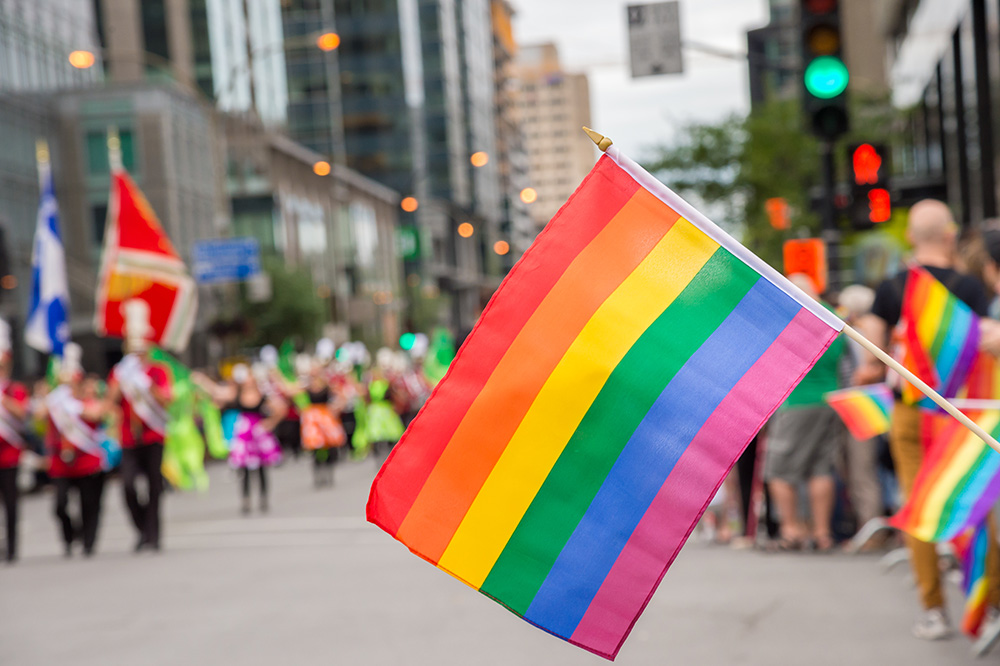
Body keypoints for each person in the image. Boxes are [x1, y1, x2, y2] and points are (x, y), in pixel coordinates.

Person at [857, 199, 999, 643]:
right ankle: (988, 605)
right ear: (950, 235)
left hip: (911, 413)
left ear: (912, 238)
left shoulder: (891, 289)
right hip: (963, 414)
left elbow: (871, 361)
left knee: (918, 508)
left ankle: (934, 610)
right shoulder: (973, 289)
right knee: (976, 503)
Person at [763, 274, 845, 552]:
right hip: (828, 400)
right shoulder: (834, 318)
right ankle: (822, 533)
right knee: (821, 468)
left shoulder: (795, 320)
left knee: (778, 469)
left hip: (796, 402)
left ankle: (791, 529)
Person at [105, 300, 172, 553]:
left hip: (153, 435)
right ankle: (142, 528)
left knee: (155, 486)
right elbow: (109, 403)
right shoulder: (120, 373)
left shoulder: (157, 371)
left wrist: (146, 383)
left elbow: (166, 399)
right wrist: (120, 381)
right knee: (128, 486)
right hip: (129, 438)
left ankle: (154, 535)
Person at [40, 343, 107, 558]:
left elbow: (97, 414)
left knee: (89, 503)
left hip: (86, 459)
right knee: (60, 504)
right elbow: (37, 417)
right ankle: (70, 536)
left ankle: (88, 541)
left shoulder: (84, 400)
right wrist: (52, 399)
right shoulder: (55, 401)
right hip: (61, 461)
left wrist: (73, 405)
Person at [194, 363, 286, 513]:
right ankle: (246, 500)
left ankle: (263, 498)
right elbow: (216, 391)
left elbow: (280, 408)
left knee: (262, 469)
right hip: (244, 434)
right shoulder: (236, 393)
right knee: (244, 470)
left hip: (259, 434)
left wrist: (270, 422)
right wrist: (202, 380)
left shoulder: (263, 393)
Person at [836, 285, 885, 542]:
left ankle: (871, 533)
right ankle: (867, 530)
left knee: (862, 470)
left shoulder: (865, 328)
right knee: (859, 470)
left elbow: (871, 367)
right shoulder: (864, 326)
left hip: (860, 403)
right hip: (857, 404)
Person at [0, 319, 29, 562]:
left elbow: (21, 413)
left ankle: (11, 547)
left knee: (10, 503)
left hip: (9, 455)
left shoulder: (13, 389)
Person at [301, 361, 346, 487]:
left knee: (329, 446)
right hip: (313, 420)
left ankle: (329, 472)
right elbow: (292, 393)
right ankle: (317, 475)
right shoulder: (307, 386)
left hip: (326, 417)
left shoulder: (327, 385)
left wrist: (336, 408)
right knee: (315, 447)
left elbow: (342, 395)